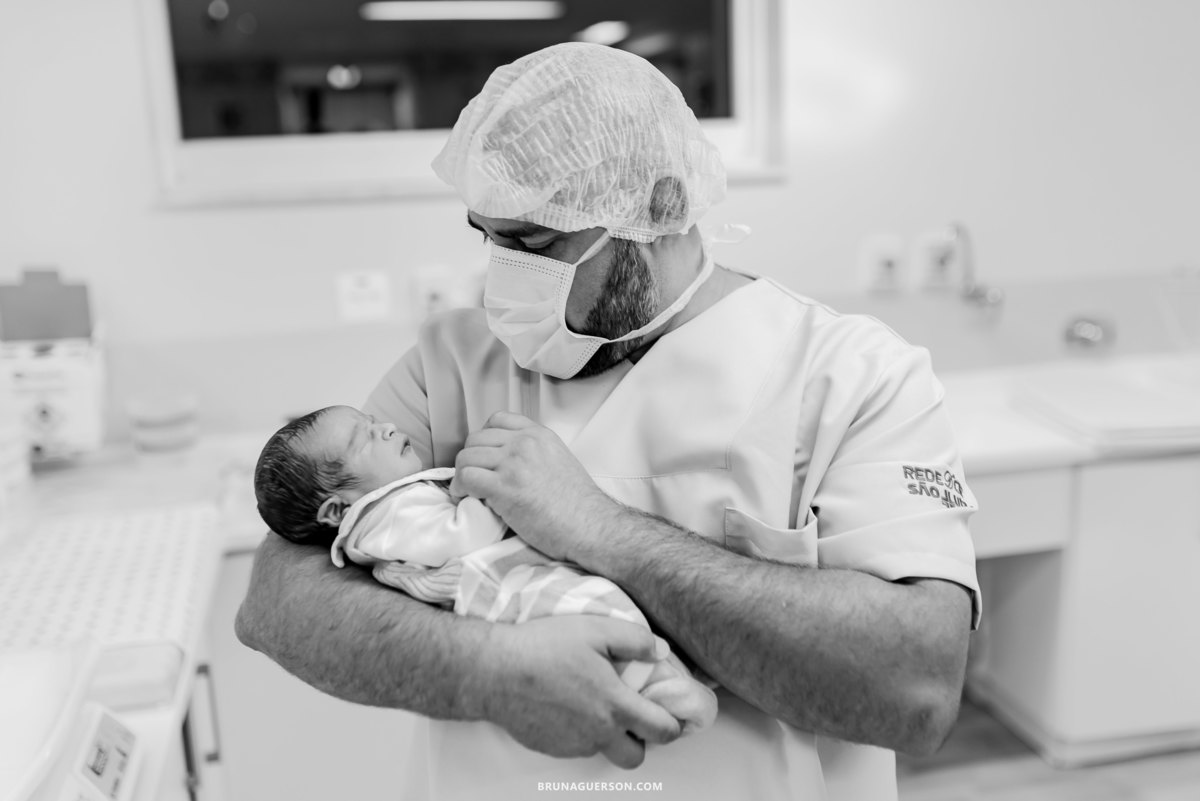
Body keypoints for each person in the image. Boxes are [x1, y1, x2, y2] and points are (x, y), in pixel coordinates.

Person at [236, 42, 981, 800]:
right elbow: (278, 602)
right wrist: (486, 674)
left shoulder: (850, 374)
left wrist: (600, 529)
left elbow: (915, 691)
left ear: (656, 207)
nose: (502, 276)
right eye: (487, 235)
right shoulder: (453, 362)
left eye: (534, 242)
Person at [251, 404, 718, 735]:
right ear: (336, 510)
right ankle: (666, 692)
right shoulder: (381, 520)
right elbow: (462, 538)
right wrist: (490, 491)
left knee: (610, 606)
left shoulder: (390, 501)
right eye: (365, 438)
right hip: (500, 589)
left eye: (374, 421)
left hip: (508, 574)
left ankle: (676, 669)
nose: (388, 428)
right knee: (600, 610)